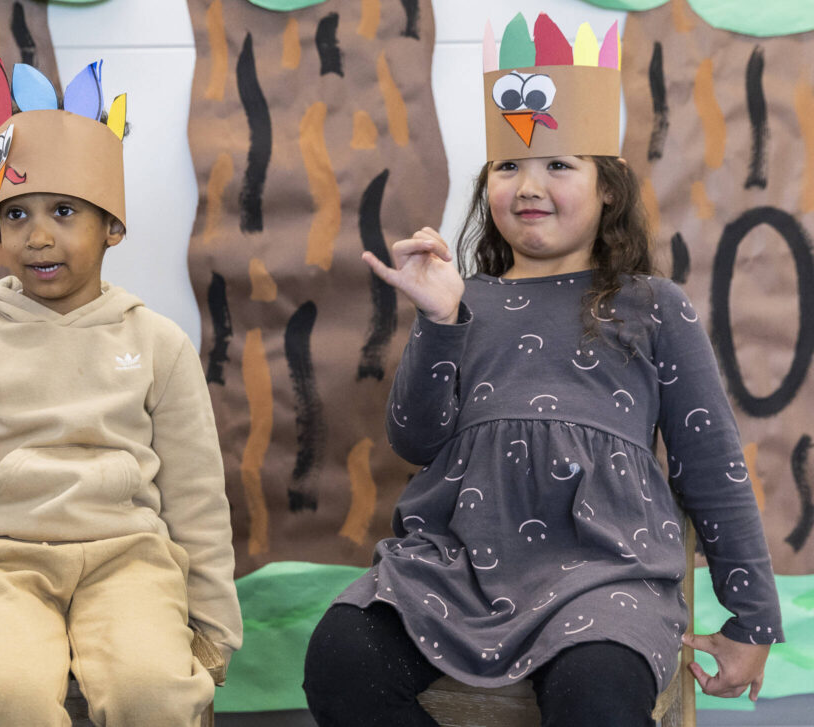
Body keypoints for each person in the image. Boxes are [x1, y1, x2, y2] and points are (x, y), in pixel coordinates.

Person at [303, 14, 781, 727]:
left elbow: (712, 468)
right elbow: (416, 440)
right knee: (340, 657)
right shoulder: (462, 299)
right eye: (509, 166)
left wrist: (752, 619)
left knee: (597, 694)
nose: (529, 185)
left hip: (604, 579)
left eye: (558, 164)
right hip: (454, 570)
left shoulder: (652, 306)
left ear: (608, 188)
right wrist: (438, 321)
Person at [0, 60, 241, 727]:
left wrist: (213, 625)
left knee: (152, 692)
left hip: (130, 564)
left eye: (63, 211)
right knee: (8, 699)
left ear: (112, 227)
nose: (37, 236)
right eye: (15, 216)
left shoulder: (158, 344)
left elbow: (196, 496)